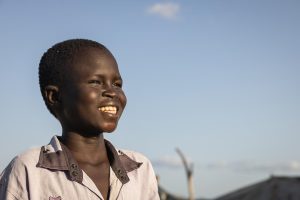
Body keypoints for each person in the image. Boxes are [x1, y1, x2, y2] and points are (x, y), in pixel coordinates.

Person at [0, 39, 160, 200]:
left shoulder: (139, 169)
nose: (112, 92)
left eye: (117, 84)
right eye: (96, 82)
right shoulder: (29, 169)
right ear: (54, 96)